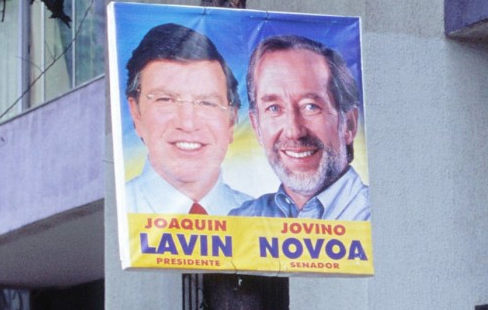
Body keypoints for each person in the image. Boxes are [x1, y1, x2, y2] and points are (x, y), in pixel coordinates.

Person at [236, 34, 370, 220]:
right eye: (274, 108)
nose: (294, 132)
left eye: (311, 107)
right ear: (256, 126)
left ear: (349, 124)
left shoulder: (380, 217)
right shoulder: (241, 222)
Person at [122, 23, 249, 216]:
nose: (188, 124)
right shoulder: (117, 211)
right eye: (166, 99)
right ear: (136, 113)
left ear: (231, 120)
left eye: (207, 103)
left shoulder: (268, 222)